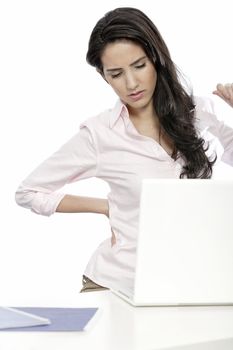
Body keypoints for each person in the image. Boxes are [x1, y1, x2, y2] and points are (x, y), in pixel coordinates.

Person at [15, 7, 233, 293]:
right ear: (104, 76)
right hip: (117, 285)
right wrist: (105, 207)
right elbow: (28, 192)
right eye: (116, 74)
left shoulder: (202, 112)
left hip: (190, 282)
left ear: (156, 58)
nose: (131, 84)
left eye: (139, 66)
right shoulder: (100, 134)